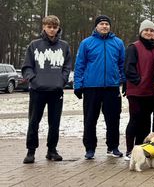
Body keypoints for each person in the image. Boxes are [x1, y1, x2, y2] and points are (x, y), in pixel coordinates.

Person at [74, 15, 125, 160]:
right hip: (91, 87)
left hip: (112, 87)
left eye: (107, 24)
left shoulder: (118, 43)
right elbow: (80, 65)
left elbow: (122, 64)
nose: (104, 26)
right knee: (90, 119)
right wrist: (78, 85)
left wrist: (124, 81)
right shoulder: (86, 43)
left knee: (113, 119)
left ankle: (113, 146)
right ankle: (90, 148)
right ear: (96, 26)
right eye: (102, 24)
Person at [22, 15, 72, 164]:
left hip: (56, 91)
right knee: (34, 121)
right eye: (49, 27)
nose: (52, 30)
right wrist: (33, 79)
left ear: (58, 28)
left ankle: (52, 150)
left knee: (54, 122)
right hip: (38, 90)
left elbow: (67, 67)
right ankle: (31, 151)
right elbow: (27, 66)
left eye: (54, 27)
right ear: (44, 27)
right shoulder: (34, 45)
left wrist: (61, 80)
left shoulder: (64, 46)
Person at [124, 20, 154, 160]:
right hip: (136, 91)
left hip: (151, 92)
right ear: (141, 32)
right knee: (135, 120)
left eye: (152, 31)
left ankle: (140, 148)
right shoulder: (133, 47)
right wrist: (138, 81)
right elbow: (129, 68)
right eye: (146, 30)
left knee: (146, 122)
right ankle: (129, 150)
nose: (149, 33)